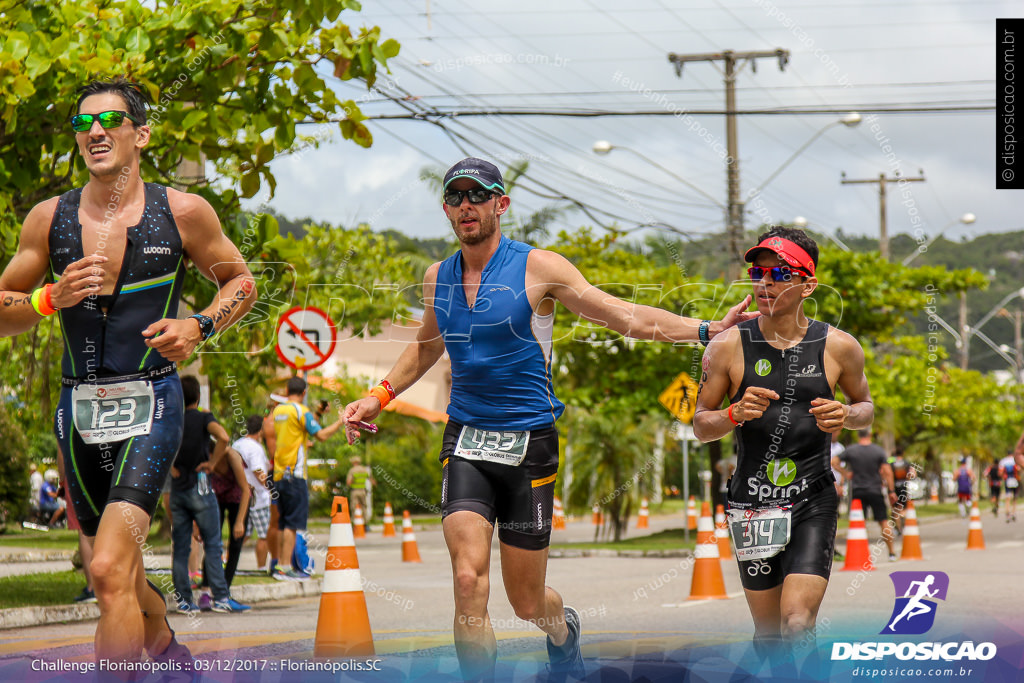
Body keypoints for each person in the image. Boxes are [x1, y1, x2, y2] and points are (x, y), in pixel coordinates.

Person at [342, 157, 758, 681]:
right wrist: (378, 395)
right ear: (446, 209)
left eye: (478, 195)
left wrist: (705, 329)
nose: (466, 205)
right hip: (466, 438)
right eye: (455, 197)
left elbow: (624, 314)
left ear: (501, 204)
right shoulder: (438, 277)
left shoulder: (539, 268)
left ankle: (563, 632)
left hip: (529, 444)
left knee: (527, 602)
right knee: (469, 581)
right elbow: (427, 346)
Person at [0, 77, 255, 665]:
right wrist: (46, 299)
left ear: (140, 133)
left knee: (110, 569)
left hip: (153, 403)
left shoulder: (184, 211)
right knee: (114, 569)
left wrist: (202, 326)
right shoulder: (48, 219)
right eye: (82, 123)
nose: (95, 132)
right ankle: (162, 639)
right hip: (78, 409)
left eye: (110, 121)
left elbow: (241, 282)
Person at [693, 227, 873, 670]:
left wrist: (846, 416)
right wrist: (734, 414)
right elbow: (701, 424)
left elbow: (866, 406)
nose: (765, 283)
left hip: (813, 499)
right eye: (758, 273)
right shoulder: (728, 346)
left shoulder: (840, 347)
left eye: (779, 274)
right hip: (751, 504)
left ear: (807, 285)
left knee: (797, 624)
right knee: (770, 635)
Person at [170, 375, 250, 613]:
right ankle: (221, 598)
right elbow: (224, 437)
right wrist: (213, 463)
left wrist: (170, 465)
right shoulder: (204, 418)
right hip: (201, 485)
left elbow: (157, 443)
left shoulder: (172, 420)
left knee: (181, 547)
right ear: (198, 396)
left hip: (177, 488)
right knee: (213, 544)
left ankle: (184, 601)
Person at [273, 376, 345, 580]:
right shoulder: (301, 411)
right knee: (292, 523)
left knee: (282, 522)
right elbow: (320, 435)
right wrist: (340, 421)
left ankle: (279, 563)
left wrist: (317, 415)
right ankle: (285, 567)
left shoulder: (279, 410)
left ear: (287, 390)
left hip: (279, 472)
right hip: (295, 474)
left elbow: (296, 433)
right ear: (304, 393)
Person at [843, 430, 898, 561]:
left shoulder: (851, 450)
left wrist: (845, 473)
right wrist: (891, 491)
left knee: (859, 523)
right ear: (870, 435)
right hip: (875, 490)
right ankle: (891, 553)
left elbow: (833, 461)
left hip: (858, 491)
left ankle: (860, 555)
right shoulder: (878, 451)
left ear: (858, 435)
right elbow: (888, 472)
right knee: (884, 522)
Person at [206, 441, 251, 589]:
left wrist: (240, 522)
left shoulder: (232, 457)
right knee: (212, 538)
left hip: (238, 497)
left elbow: (246, 491)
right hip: (218, 497)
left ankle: (226, 585)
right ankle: (207, 582)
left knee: (236, 542)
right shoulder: (205, 460)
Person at [234, 415, 272, 571]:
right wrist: (271, 489)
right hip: (259, 499)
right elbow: (258, 471)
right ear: (260, 430)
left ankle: (228, 563)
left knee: (241, 535)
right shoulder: (255, 448)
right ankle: (262, 568)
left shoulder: (237, 444)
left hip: (240, 496)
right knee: (265, 535)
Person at [887, 448, 912, 532]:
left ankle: (898, 528)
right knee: (904, 507)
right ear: (903, 453)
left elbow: (888, 475)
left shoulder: (891, 464)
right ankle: (903, 518)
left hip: (893, 488)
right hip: (903, 487)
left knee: (895, 508)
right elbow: (911, 474)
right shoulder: (906, 463)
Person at [346, 455, 376, 524]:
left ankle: (355, 523)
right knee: (364, 507)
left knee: (354, 507)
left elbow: (348, 482)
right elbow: (372, 480)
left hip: (355, 491)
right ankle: (365, 523)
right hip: (363, 491)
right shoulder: (364, 469)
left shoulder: (352, 470)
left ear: (354, 462)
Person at [999, 451, 1020, 522]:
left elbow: (1000, 473)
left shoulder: (1003, 461)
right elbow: (1019, 469)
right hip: (1015, 481)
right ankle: (1013, 513)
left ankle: (1007, 513)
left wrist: (1003, 478)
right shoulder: (1016, 460)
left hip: (1007, 481)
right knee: (1015, 497)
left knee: (1008, 498)